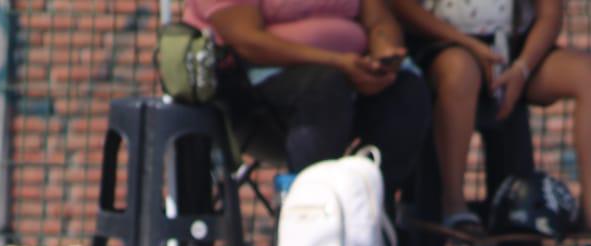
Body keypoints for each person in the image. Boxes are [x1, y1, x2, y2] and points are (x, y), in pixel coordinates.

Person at [389, 0, 591, 239]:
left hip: (514, 49)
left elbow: (549, 15)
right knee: (460, 71)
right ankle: (453, 204)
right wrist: (468, 44)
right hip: (444, 43)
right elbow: (402, 7)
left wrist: (522, 68)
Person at [184, 0, 431, 206]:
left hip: (350, 73)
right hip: (254, 86)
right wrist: (337, 62)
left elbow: (379, 18)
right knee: (325, 85)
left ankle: (371, 210)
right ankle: (312, 211)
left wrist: (381, 53)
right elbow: (246, 40)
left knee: (406, 89)